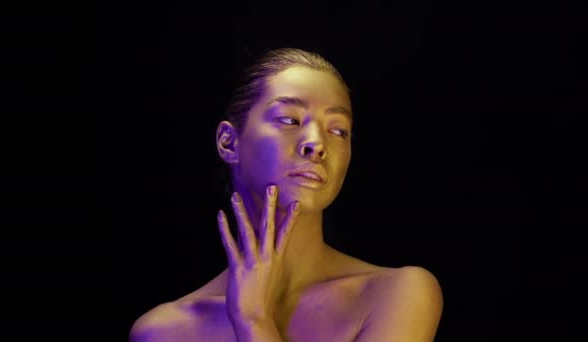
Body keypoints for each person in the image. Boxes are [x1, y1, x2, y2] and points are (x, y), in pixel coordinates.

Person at [129, 47, 443, 341]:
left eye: (338, 130)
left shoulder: (397, 293)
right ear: (228, 142)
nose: (317, 143)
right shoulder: (166, 331)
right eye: (289, 120)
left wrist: (254, 320)